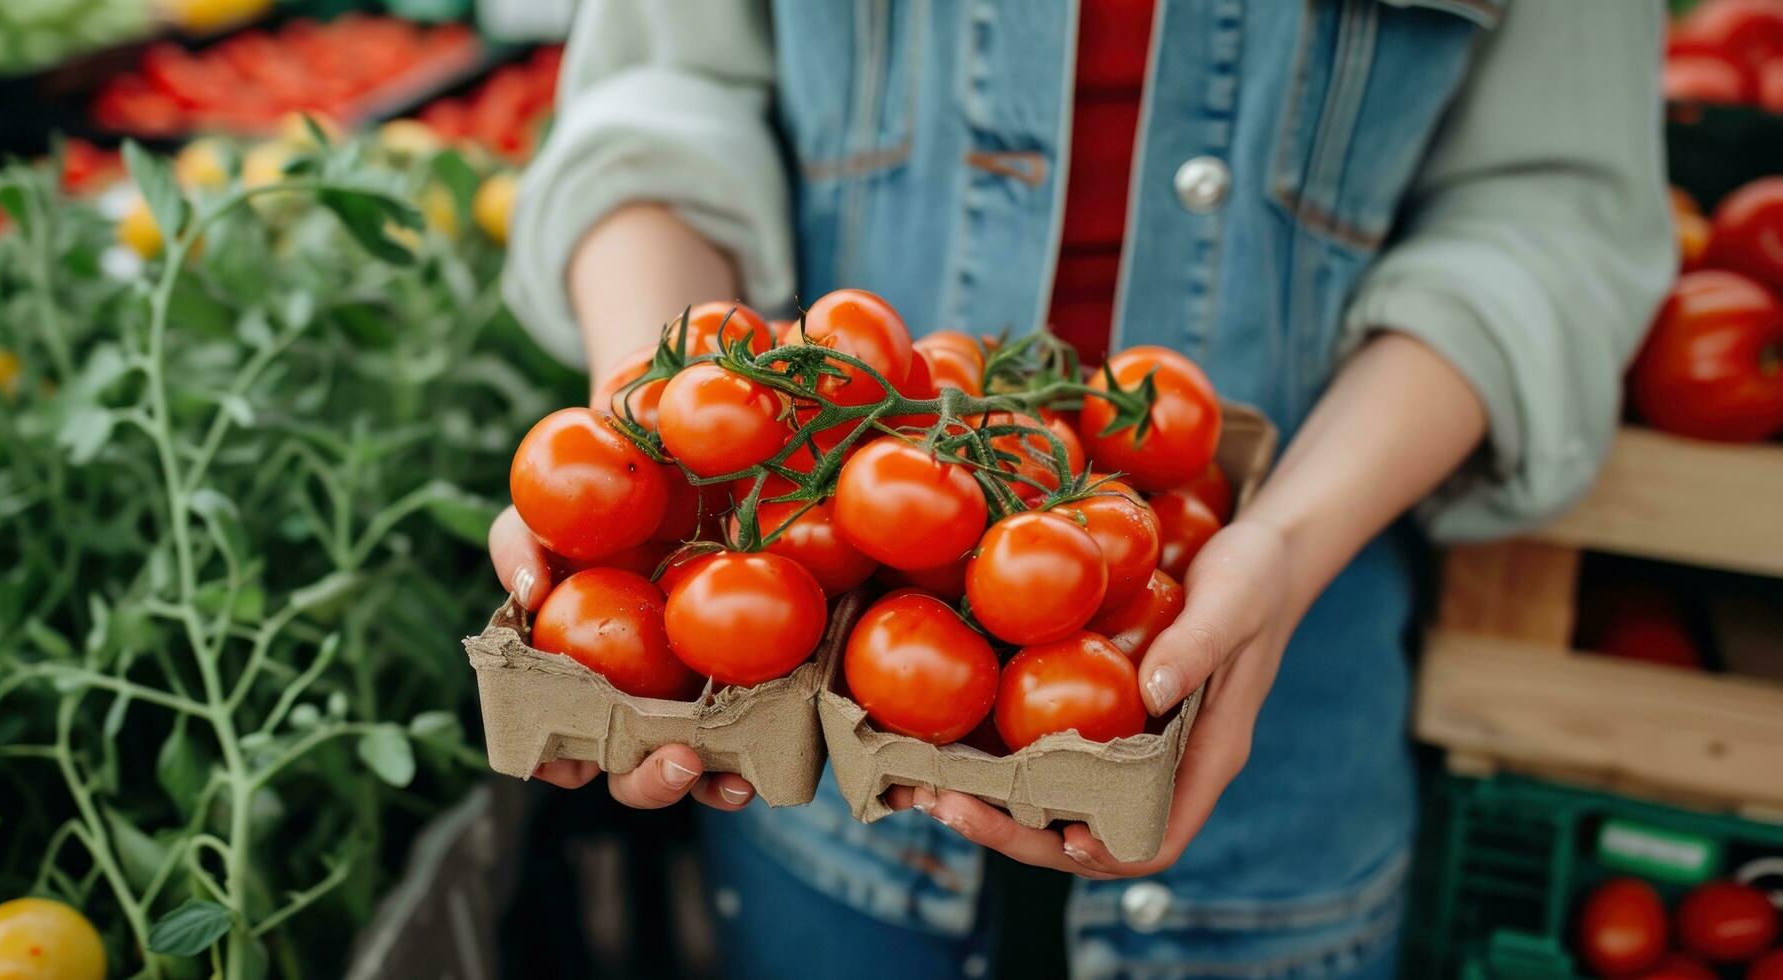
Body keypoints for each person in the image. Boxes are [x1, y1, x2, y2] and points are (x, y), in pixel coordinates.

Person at [488, 1, 1672, 976]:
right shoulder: (871, 480)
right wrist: (646, 467)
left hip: (1282, 678)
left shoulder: (1085, 519)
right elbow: (657, 107)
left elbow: (1544, 220)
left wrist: (1290, 540)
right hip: (815, 746)